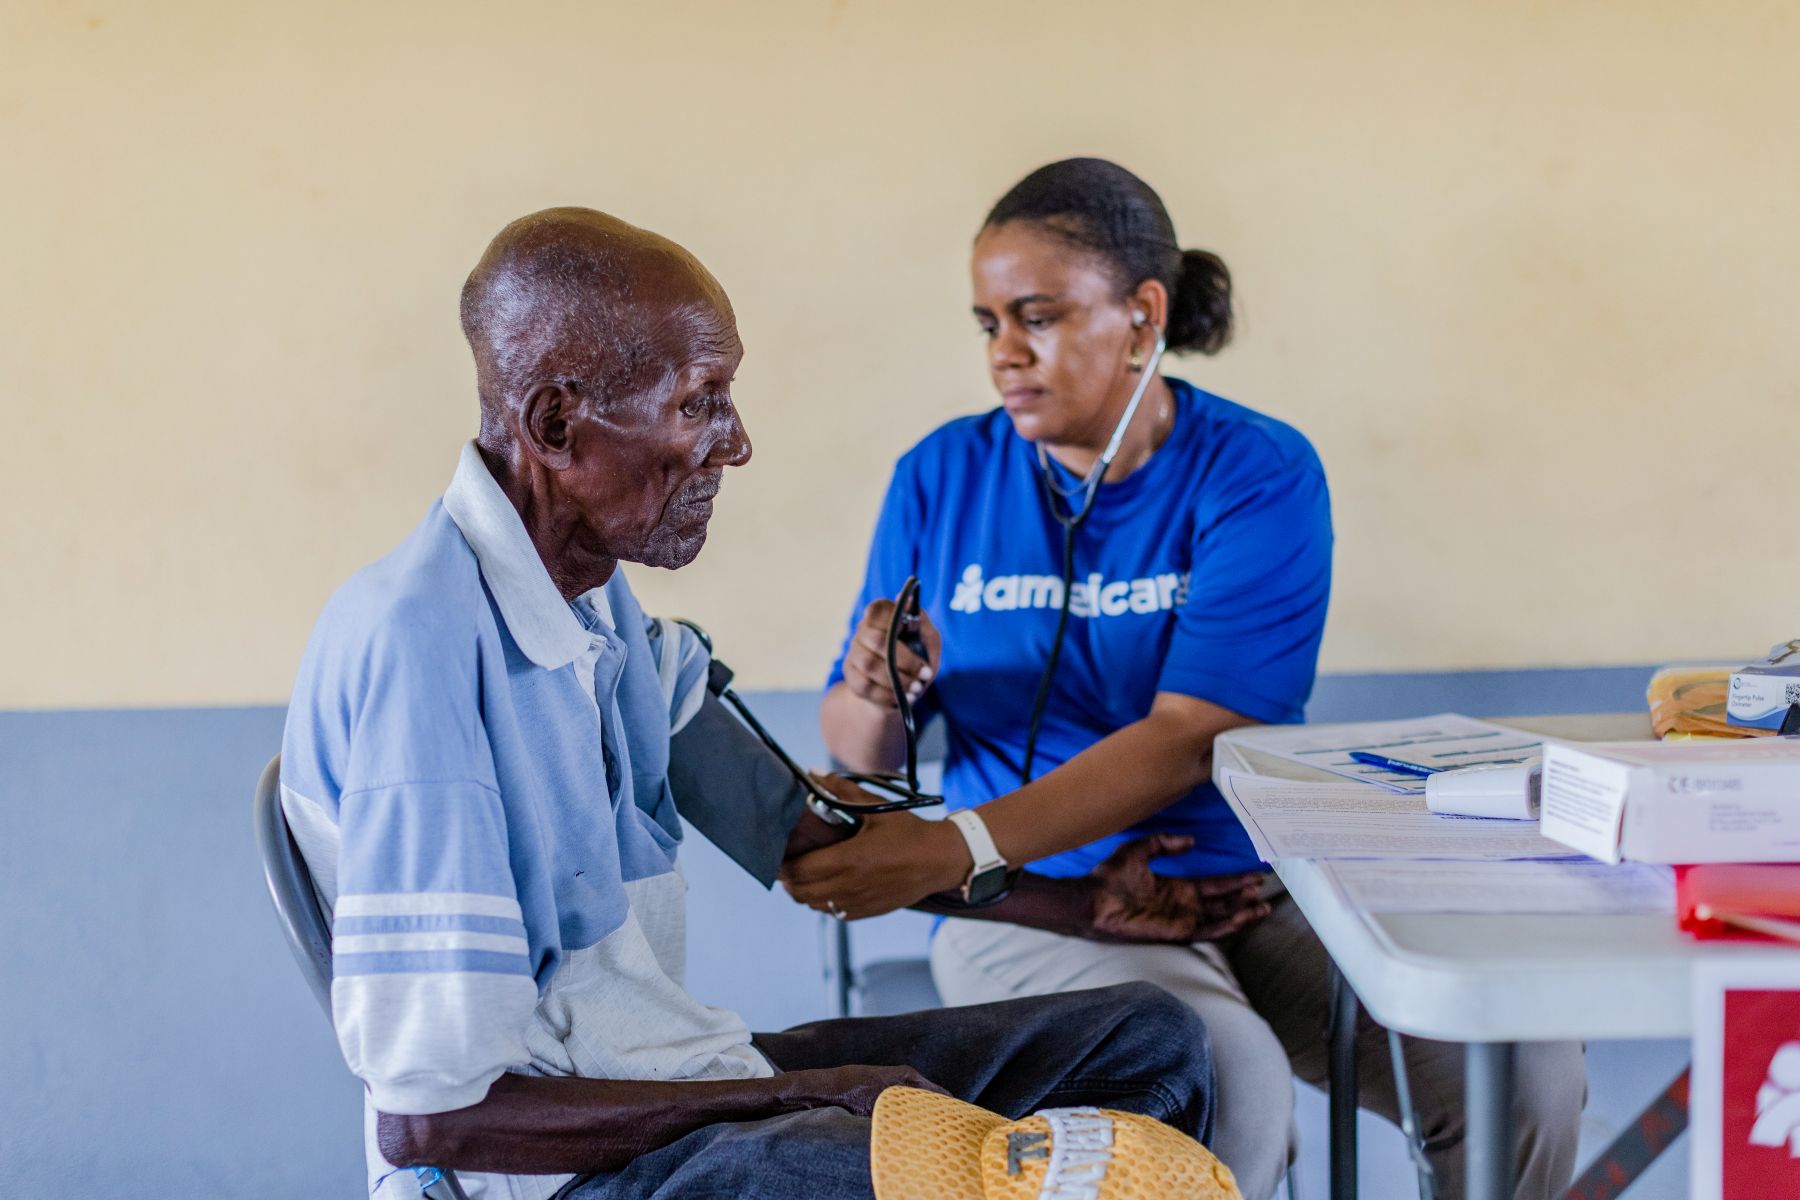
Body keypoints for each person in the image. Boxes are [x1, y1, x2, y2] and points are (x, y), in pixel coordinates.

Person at [278, 206, 1223, 1200]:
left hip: (677, 1080)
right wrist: (802, 1101)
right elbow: (439, 1117)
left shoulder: (601, 617)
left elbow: (810, 846)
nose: (738, 444)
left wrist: (1081, 907)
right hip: (545, 1176)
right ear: (557, 424)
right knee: (906, 1165)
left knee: (1149, 1042)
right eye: (699, 404)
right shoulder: (419, 651)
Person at [793, 159, 1585, 1200]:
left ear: (1141, 315)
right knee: (1220, 1077)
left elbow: (1193, 734)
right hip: (1032, 906)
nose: (1004, 355)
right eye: (986, 322)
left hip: (1251, 891)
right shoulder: (940, 475)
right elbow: (861, 754)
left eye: (1036, 317)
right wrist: (874, 689)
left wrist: (955, 840)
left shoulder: (1257, 472)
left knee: (1522, 1067)